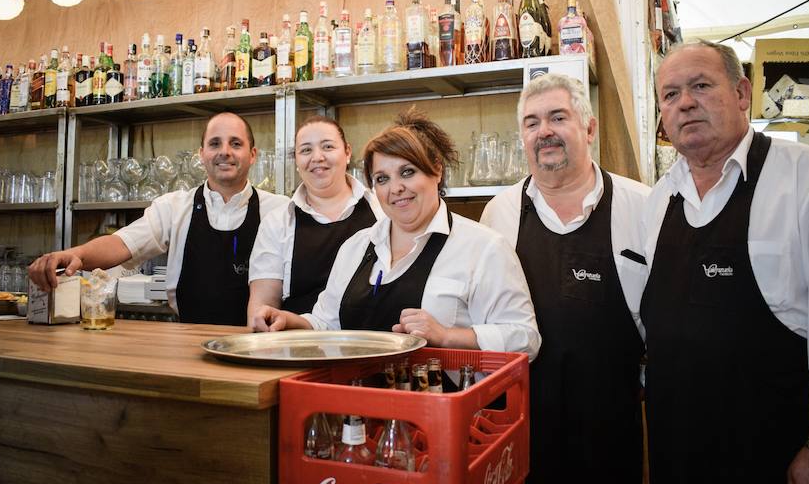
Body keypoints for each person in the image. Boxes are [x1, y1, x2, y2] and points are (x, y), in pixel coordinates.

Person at [642, 40, 809, 484]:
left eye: (700, 86)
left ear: (741, 93)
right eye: (670, 95)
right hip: (677, 461)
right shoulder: (658, 200)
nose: (685, 103)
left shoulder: (808, 178)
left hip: (773, 461)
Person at [481, 73, 649, 484]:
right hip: (520, 424)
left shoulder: (643, 206)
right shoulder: (498, 213)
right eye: (532, 122)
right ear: (523, 136)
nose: (545, 131)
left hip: (611, 424)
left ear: (589, 128)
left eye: (558, 117)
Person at [251, 108, 541, 360]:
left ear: (436, 170)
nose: (395, 189)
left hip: (437, 412)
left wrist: (447, 336)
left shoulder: (483, 247)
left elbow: (525, 339)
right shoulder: (356, 247)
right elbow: (327, 324)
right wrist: (288, 321)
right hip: (355, 408)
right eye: (382, 179)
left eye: (407, 172)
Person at [29, 112, 289, 325]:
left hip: (254, 342)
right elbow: (122, 243)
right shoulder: (174, 207)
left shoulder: (278, 210)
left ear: (252, 154)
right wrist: (74, 255)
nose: (225, 152)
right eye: (214, 143)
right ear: (201, 154)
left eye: (236, 143)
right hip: (187, 342)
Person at [247, 115, 382, 322]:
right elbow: (262, 305)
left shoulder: (381, 209)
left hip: (375, 342)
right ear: (297, 161)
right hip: (298, 345)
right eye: (306, 150)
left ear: (347, 152)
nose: (317, 157)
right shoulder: (278, 222)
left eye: (327, 147)